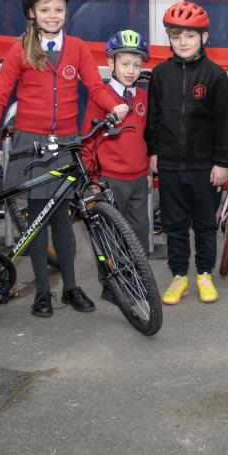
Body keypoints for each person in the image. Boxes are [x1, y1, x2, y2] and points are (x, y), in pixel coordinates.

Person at [0, 0, 127, 318]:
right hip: (30, 145)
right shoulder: (21, 49)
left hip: (65, 143)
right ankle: (43, 292)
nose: (53, 15)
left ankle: (72, 287)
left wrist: (116, 104)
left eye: (59, 9)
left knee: (63, 219)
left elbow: (96, 86)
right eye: (45, 9)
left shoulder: (76, 47)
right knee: (38, 222)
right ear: (32, 12)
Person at [145, 2, 228, 306]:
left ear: (204, 37)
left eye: (189, 36)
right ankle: (179, 276)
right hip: (169, 164)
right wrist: (153, 151)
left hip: (204, 166)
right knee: (174, 224)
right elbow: (154, 117)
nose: (182, 42)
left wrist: (222, 162)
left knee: (205, 224)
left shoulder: (215, 76)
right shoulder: (159, 75)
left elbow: (225, 123)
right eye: (175, 36)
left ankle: (204, 274)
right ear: (169, 39)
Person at [83, 29, 153, 276]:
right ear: (110, 62)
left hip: (137, 178)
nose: (131, 70)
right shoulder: (101, 98)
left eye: (136, 64)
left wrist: (146, 171)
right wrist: (91, 178)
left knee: (139, 231)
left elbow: (144, 137)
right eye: (124, 63)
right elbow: (89, 140)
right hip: (109, 179)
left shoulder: (143, 97)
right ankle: (112, 282)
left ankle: (137, 278)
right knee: (109, 231)